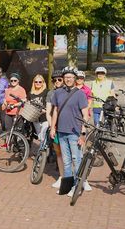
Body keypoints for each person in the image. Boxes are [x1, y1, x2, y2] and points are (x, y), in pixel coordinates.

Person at [50, 67, 91, 197]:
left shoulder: (80, 94)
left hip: (74, 132)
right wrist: (52, 127)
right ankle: (67, 186)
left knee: (76, 159)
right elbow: (55, 110)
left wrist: (83, 134)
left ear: (75, 79)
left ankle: (77, 186)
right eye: (66, 77)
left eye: (71, 77)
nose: (68, 79)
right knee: (66, 160)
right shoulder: (58, 93)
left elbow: (86, 115)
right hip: (61, 131)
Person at [46, 70, 65, 189]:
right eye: (55, 80)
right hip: (55, 125)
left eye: (59, 79)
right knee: (58, 152)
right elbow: (48, 112)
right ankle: (62, 176)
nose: (57, 82)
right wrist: (51, 126)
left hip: (66, 125)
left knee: (70, 152)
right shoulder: (50, 93)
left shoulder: (68, 92)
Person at [28, 74, 48, 143]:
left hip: (45, 117)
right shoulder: (30, 93)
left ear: (43, 83)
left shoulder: (46, 92)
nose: (38, 83)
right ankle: (42, 151)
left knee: (43, 135)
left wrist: (45, 110)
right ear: (33, 83)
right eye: (36, 82)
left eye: (40, 82)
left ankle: (44, 152)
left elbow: (49, 105)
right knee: (40, 137)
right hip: (35, 119)